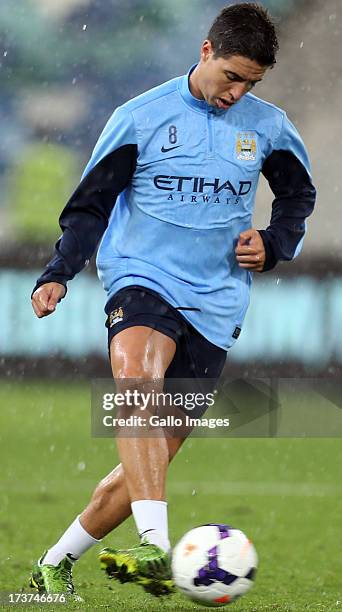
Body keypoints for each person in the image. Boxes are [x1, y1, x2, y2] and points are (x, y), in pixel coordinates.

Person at [29, 2, 316, 600]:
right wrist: (60, 269)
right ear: (206, 51)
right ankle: (156, 546)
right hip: (142, 276)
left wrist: (273, 243)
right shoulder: (141, 117)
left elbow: (297, 196)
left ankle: (54, 562)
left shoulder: (268, 126)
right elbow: (90, 205)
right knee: (136, 380)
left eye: (251, 83)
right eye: (231, 76)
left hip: (215, 302)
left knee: (152, 454)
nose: (236, 93)